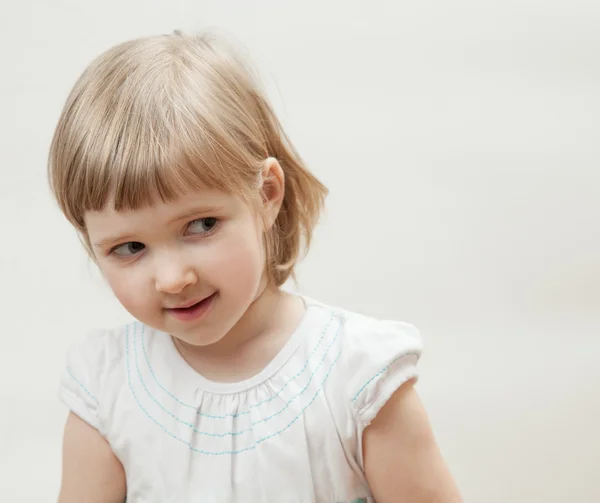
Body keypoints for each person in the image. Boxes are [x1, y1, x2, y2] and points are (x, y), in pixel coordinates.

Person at [49, 31, 461, 503]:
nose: (172, 278)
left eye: (201, 225)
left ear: (266, 195)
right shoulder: (108, 391)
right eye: (129, 248)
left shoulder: (356, 377)